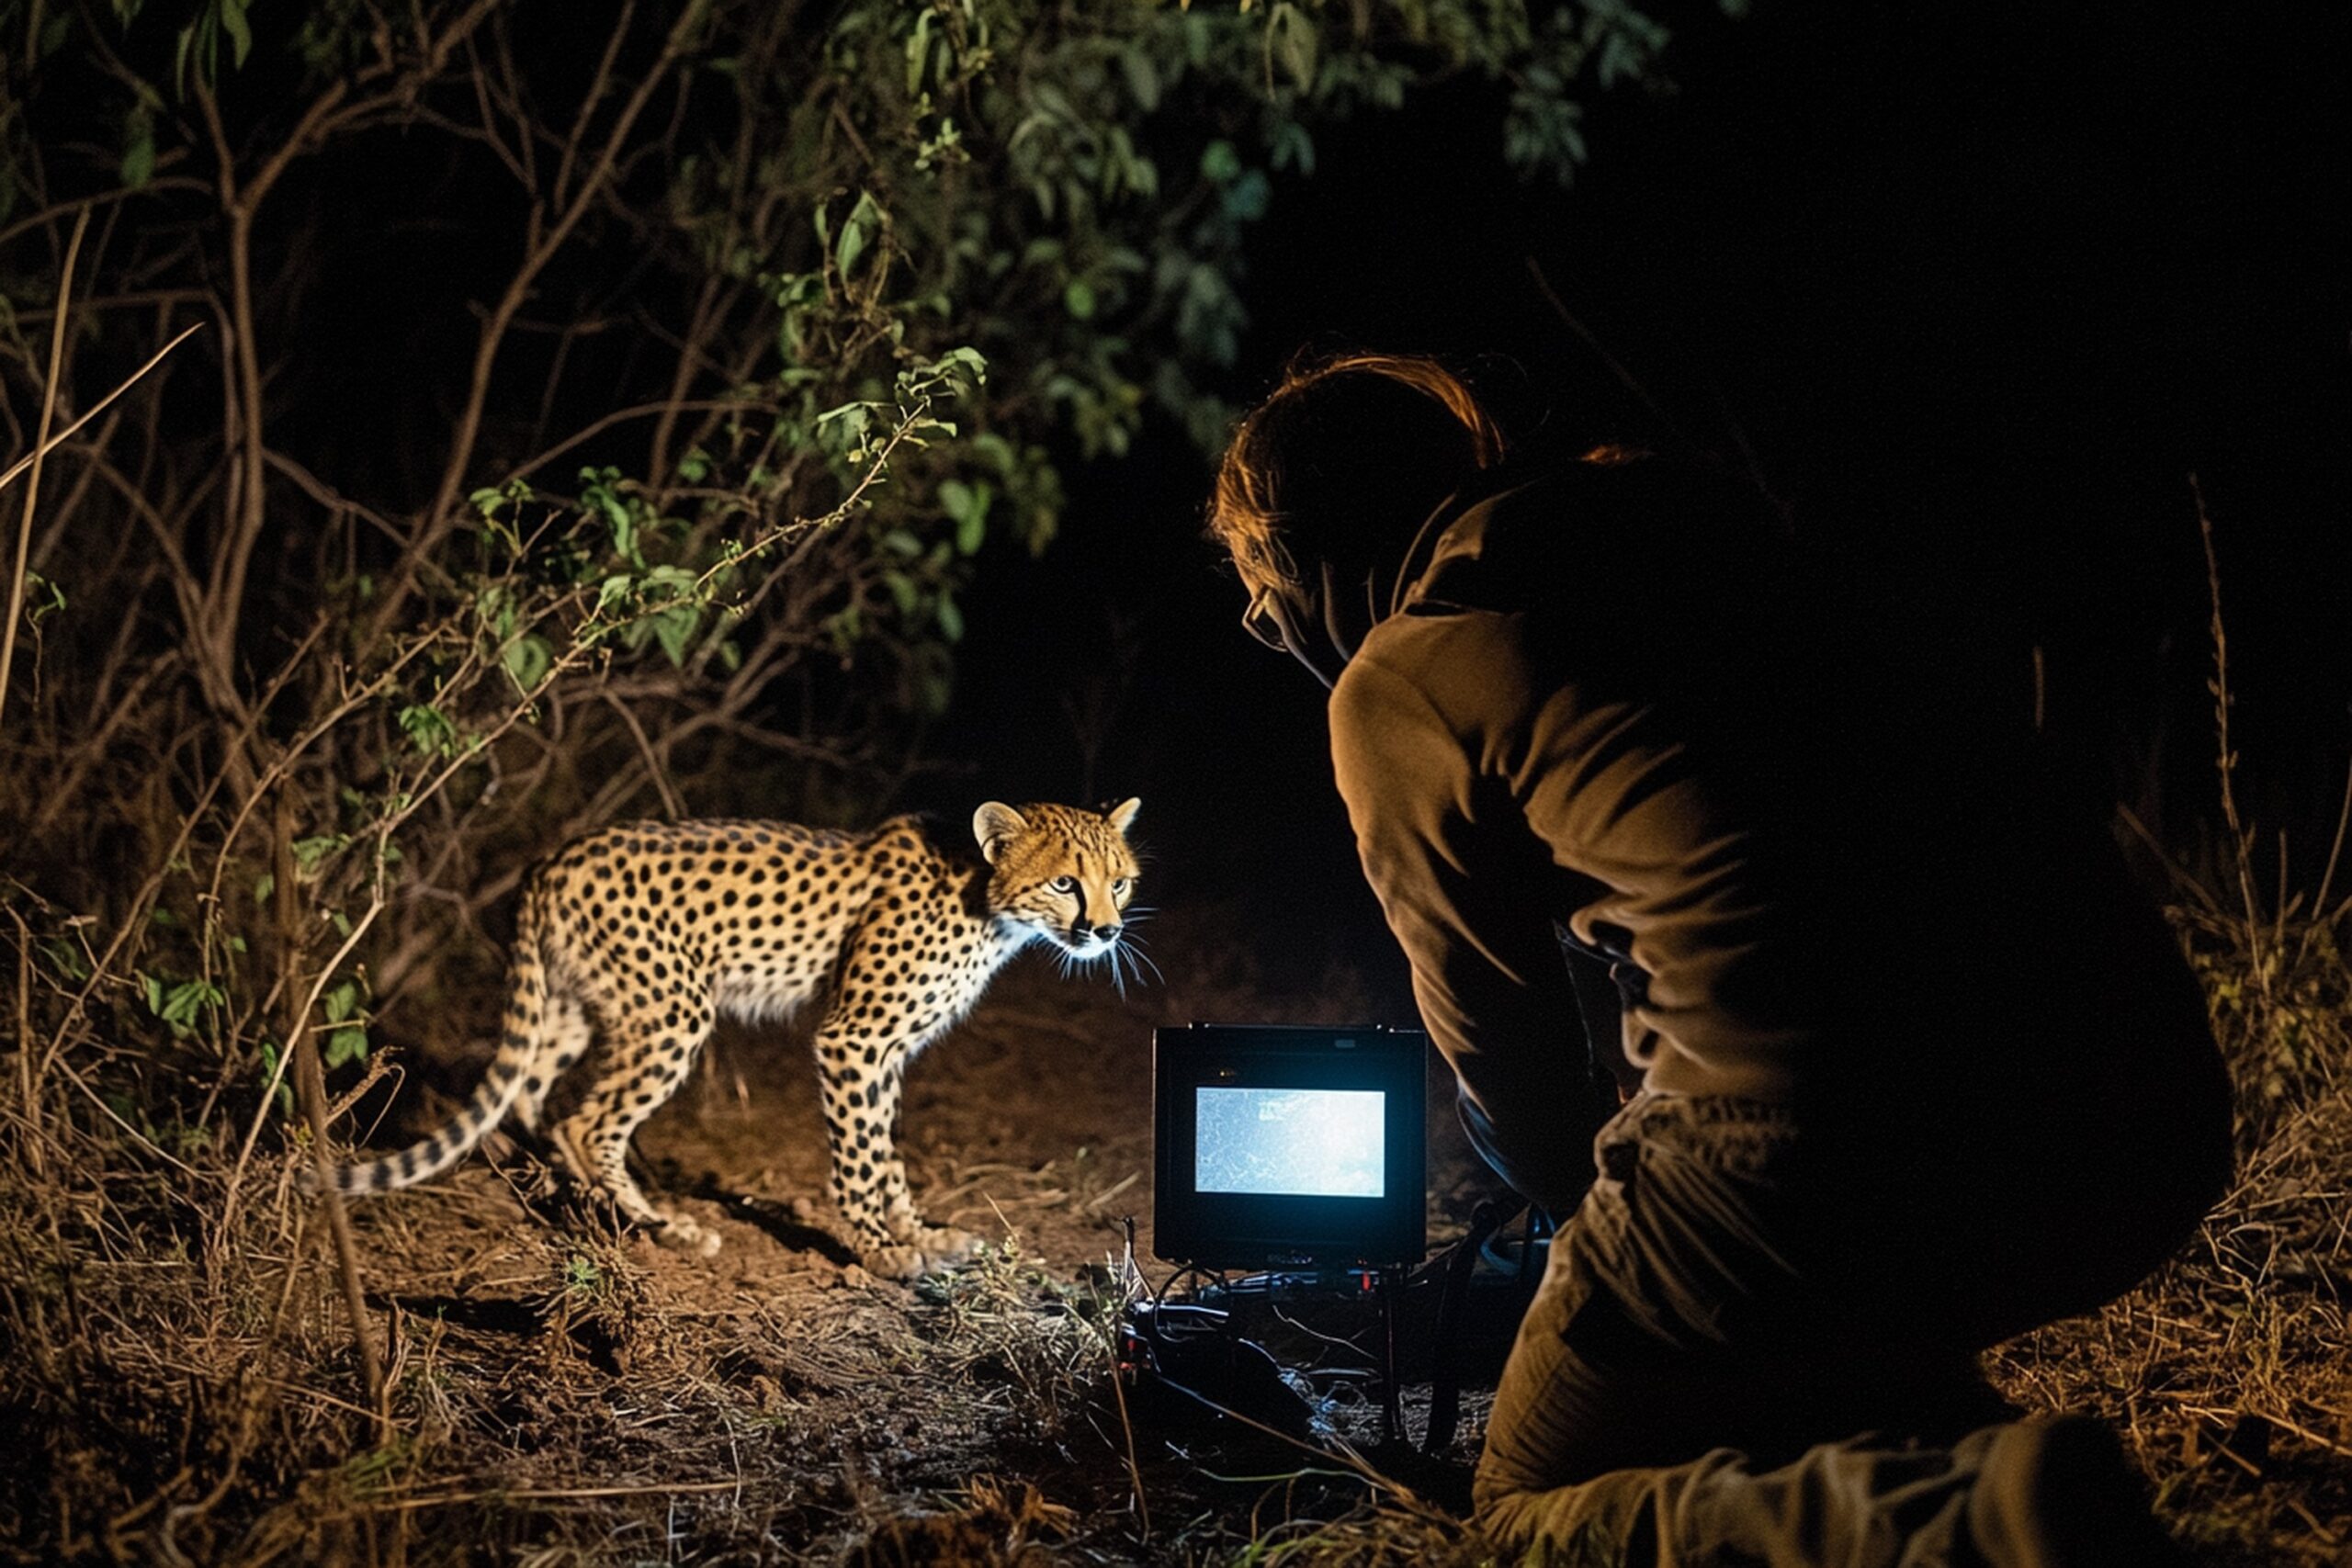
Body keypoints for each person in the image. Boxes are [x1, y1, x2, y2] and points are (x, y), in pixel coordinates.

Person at [1205, 352, 2233, 1565]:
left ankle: (1974, 1520)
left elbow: (1515, 1074)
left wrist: (1599, 1273)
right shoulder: (1697, 521)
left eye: (1261, 585)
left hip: (1821, 1140)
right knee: (1792, 1321)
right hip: (2138, 1110)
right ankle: (1961, 1467)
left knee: (1524, 1515)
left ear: (1311, 546)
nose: (1259, 622)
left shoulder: (1406, 675)